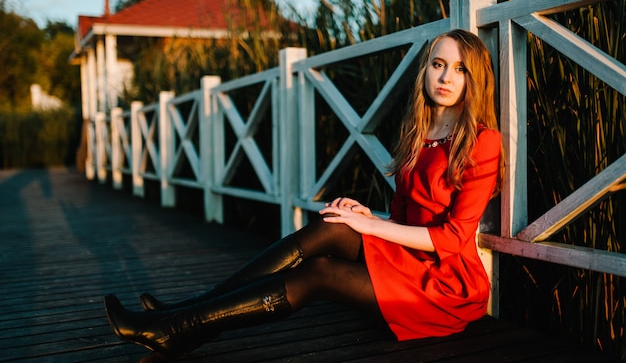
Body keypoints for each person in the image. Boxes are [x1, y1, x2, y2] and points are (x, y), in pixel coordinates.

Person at [104, 29, 504, 359]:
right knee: (332, 223)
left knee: (318, 273)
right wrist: (368, 217)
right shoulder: (418, 134)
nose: (446, 77)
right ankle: (182, 318)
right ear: (426, 71)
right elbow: (402, 219)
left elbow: (452, 238)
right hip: (406, 257)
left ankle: (179, 326)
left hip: (444, 284)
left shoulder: (482, 141)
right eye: (438, 64)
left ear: (475, 78)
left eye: (459, 69)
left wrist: (368, 227)